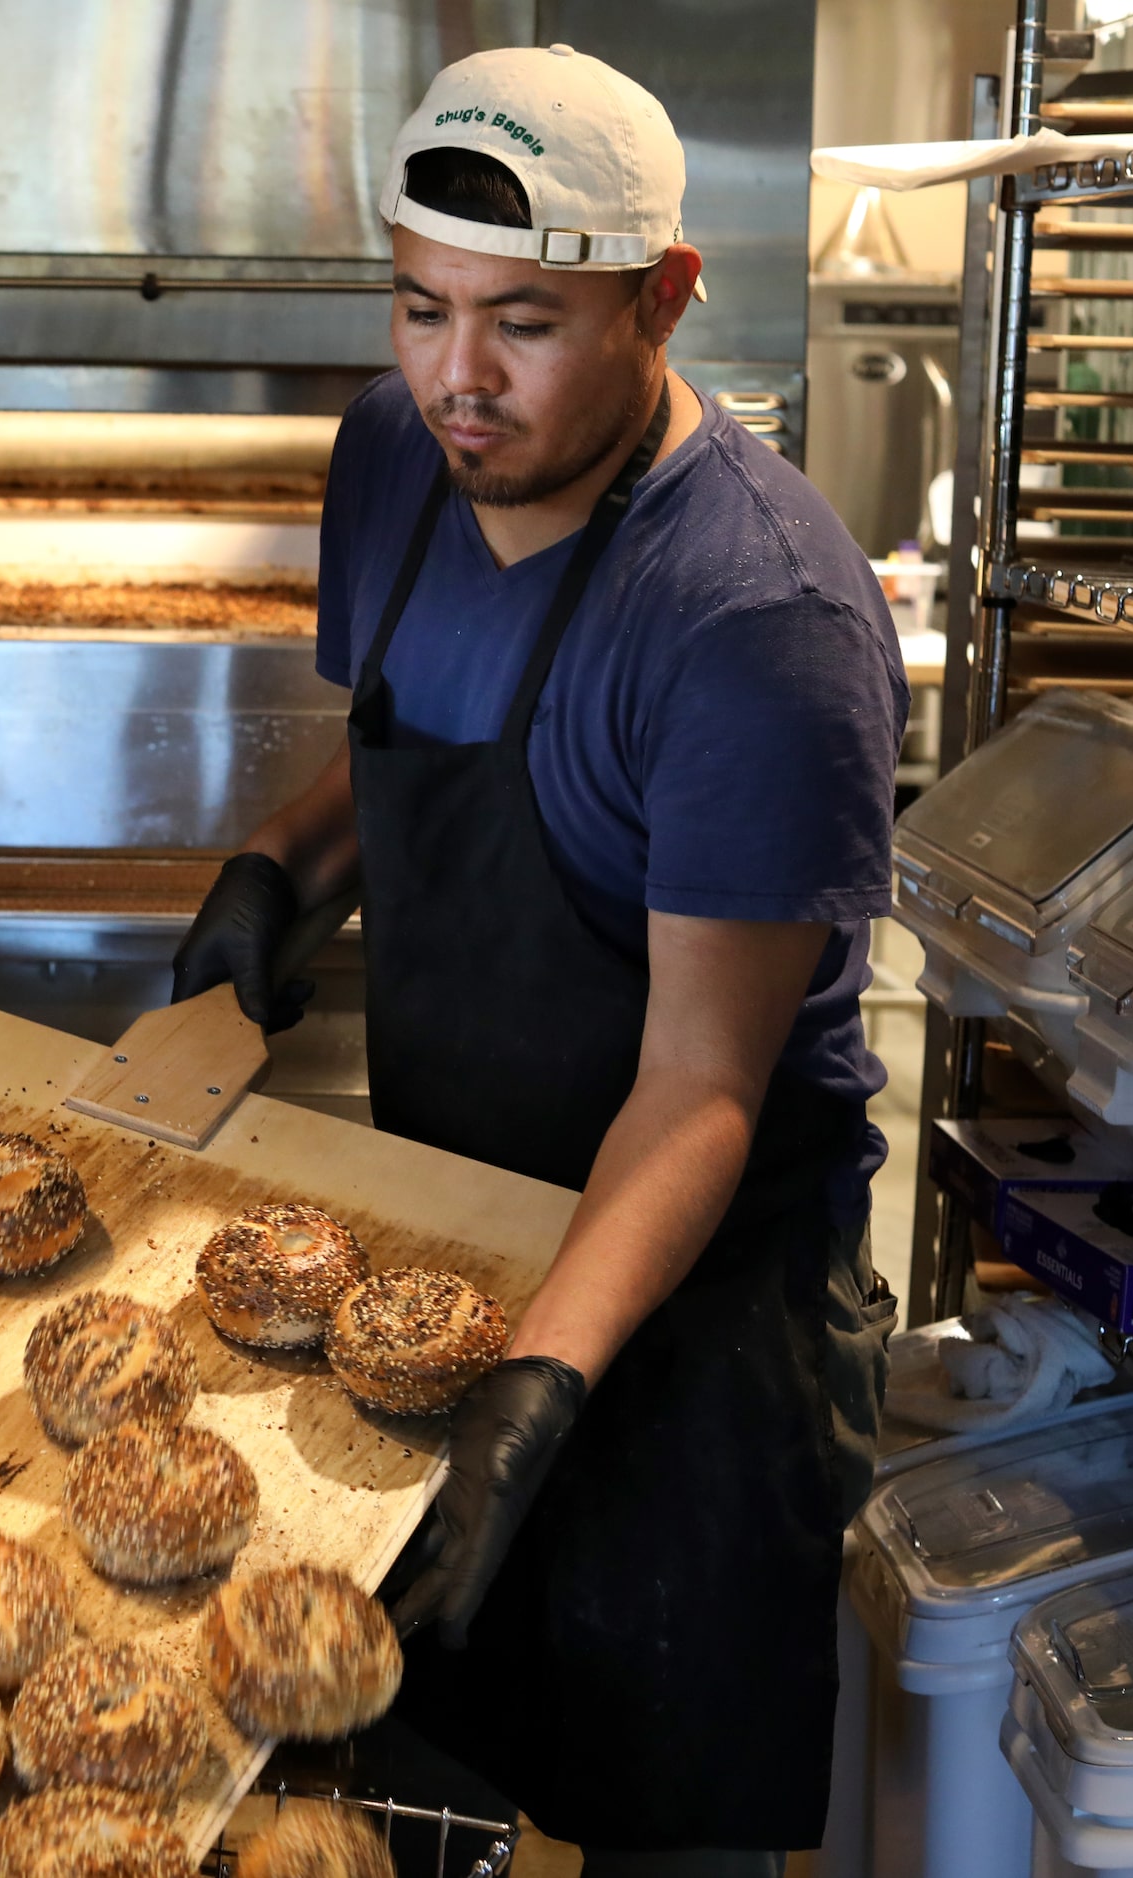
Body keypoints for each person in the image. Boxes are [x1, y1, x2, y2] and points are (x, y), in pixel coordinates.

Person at [170, 45, 907, 1878]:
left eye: (525, 322)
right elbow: (412, 726)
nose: (456, 379)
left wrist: (537, 1392)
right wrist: (279, 872)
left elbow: (703, 1085)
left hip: (686, 1341)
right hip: (440, 1273)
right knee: (422, 1797)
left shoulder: (756, 623)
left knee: (661, 1822)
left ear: (661, 301)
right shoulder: (394, 462)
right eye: (420, 309)